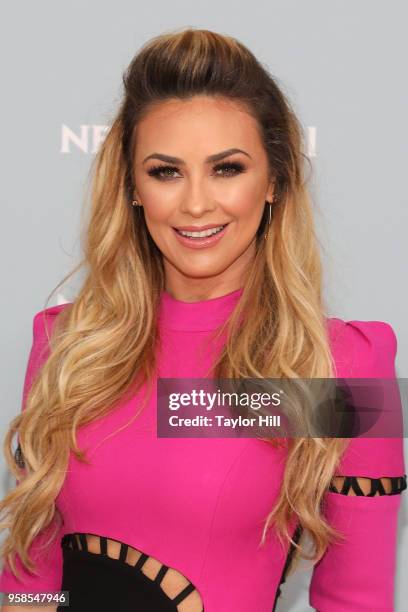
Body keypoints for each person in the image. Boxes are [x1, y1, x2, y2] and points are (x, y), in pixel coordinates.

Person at [0, 27, 406, 612]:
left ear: (274, 180)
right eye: (166, 171)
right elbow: (30, 587)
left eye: (226, 169)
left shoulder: (344, 368)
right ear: (133, 188)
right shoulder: (68, 347)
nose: (195, 204)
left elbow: (357, 601)